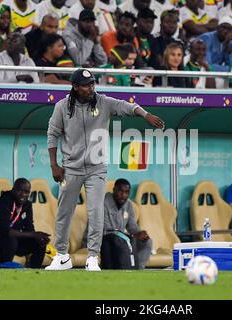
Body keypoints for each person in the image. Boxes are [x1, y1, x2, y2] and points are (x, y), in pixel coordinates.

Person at [45, 68, 164, 271]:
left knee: (96, 210)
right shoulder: (62, 106)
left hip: (96, 168)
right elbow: (52, 133)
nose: (90, 88)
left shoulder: (103, 102)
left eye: (92, 83)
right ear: (75, 87)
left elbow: (127, 106)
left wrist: (145, 115)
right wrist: (54, 165)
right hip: (70, 168)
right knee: (64, 212)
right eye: (85, 85)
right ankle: (62, 256)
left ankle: (92, 257)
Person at [0, 178, 50, 268]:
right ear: (13, 190)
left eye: (26, 192)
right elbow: (6, 230)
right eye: (20, 191)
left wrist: (37, 236)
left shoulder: (27, 205)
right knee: (11, 239)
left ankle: (34, 271)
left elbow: (29, 228)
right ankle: (4, 269)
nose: (23, 195)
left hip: (15, 243)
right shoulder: (4, 200)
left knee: (39, 242)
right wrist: (33, 234)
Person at [101, 179, 152, 269]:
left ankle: (138, 269)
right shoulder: (103, 202)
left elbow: (132, 227)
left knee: (147, 242)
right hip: (103, 239)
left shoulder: (128, 205)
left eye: (126, 192)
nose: (123, 195)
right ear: (114, 190)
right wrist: (132, 236)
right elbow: (106, 230)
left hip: (120, 238)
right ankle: (126, 269)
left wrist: (139, 233)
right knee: (122, 241)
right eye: (120, 191)